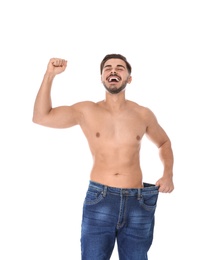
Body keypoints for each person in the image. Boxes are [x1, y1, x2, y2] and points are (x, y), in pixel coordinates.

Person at [32, 54, 174, 260]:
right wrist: (49, 75)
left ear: (129, 78)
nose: (113, 71)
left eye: (120, 68)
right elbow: (40, 117)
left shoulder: (143, 114)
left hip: (138, 201)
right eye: (107, 68)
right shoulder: (87, 110)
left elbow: (164, 143)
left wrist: (168, 174)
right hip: (101, 199)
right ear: (101, 78)